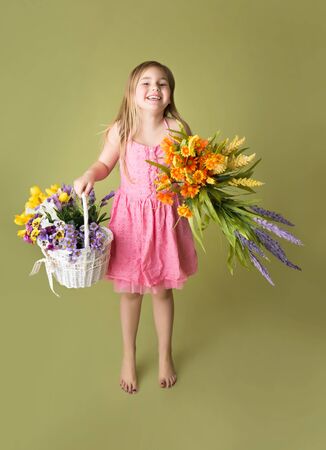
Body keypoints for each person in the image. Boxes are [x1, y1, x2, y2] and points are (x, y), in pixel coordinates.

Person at [73, 60, 198, 394]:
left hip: (165, 221)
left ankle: (164, 354)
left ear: (170, 94)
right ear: (131, 92)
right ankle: (129, 354)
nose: (154, 89)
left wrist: (199, 186)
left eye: (162, 83)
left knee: (161, 289)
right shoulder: (121, 129)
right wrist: (89, 174)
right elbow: (104, 164)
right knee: (130, 293)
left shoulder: (176, 130)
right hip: (130, 222)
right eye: (146, 83)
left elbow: (188, 171)